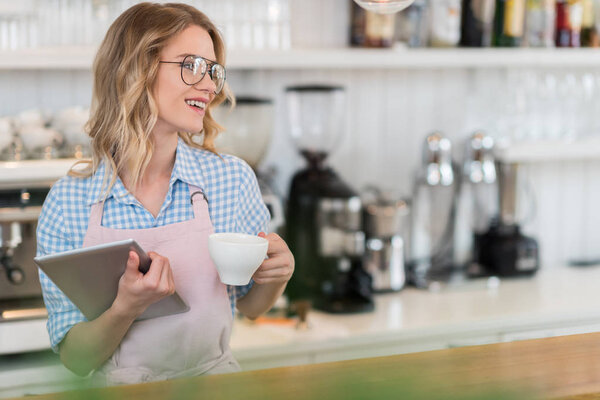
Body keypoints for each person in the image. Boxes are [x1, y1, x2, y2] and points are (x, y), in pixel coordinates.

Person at [36, 2, 294, 386]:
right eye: (191, 65)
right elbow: (75, 359)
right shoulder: (69, 203)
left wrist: (277, 276)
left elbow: (251, 307)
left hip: (215, 389)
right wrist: (126, 307)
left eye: (213, 71)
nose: (208, 85)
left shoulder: (230, 180)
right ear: (135, 69)